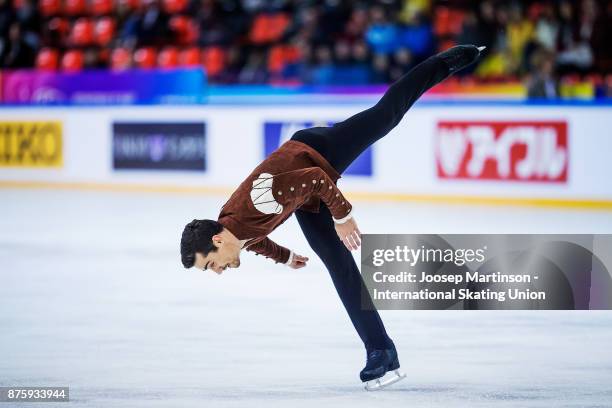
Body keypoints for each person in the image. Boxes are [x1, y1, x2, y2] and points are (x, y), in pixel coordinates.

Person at [180, 44, 484, 388]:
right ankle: (381, 350)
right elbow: (255, 240)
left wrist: (343, 216)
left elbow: (314, 178)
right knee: (339, 265)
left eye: (211, 264)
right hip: (304, 195)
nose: (217, 271)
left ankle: (444, 62)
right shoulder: (234, 229)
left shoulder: (255, 205)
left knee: (386, 116)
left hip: (316, 152)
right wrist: (286, 256)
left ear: (217, 241)